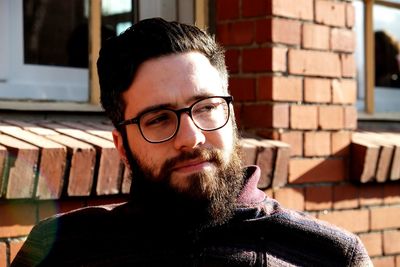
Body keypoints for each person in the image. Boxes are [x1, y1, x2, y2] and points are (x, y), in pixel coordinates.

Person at [12, 18, 372, 267]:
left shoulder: (330, 255)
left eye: (207, 107)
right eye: (158, 118)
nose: (192, 137)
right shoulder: (62, 250)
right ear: (121, 145)